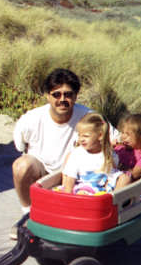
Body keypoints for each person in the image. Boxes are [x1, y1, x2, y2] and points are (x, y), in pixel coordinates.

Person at [11, 68, 118, 238]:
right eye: (56, 94)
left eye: (68, 94)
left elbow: (115, 140)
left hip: (77, 176)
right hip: (43, 173)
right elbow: (20, 146)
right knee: (21, 166)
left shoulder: (89, 117)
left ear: (76, 96)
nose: (62, 100)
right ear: (48, 96)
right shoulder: (31, 119)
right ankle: (28, 213)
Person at [60, 113, 122, 195]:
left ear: (100, 136)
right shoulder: (77, 154)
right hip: (82, 187)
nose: (81, 139)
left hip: (103, 190)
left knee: (125, 178)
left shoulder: (108, 153)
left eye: (85, 136)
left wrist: (109, 187)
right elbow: (70, 179)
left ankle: (115, 200)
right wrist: (67, 195)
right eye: (79, 135)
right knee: (82, 193)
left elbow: (112, 175)